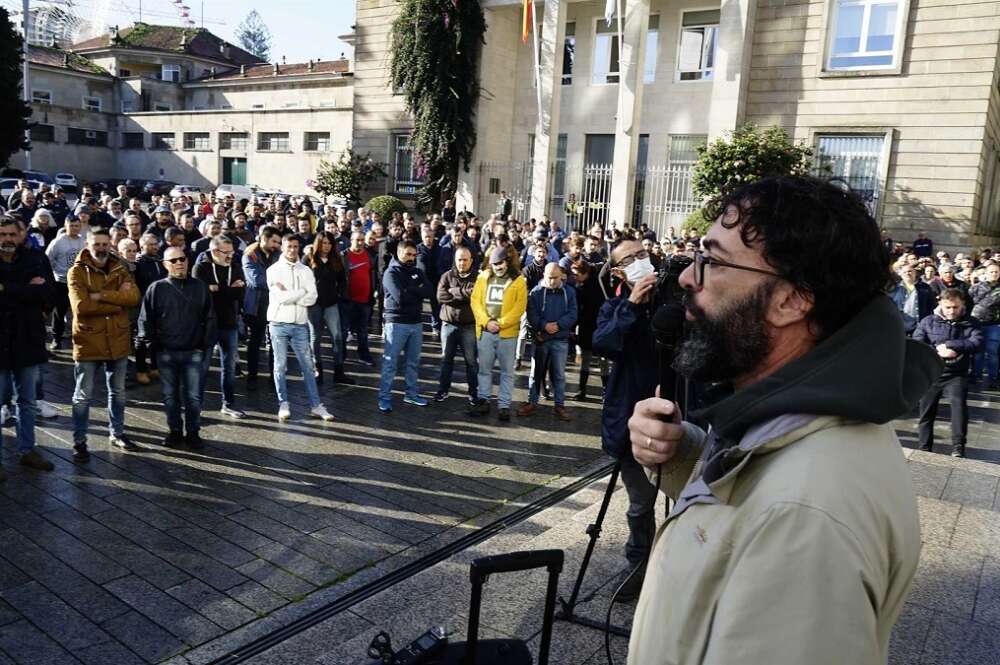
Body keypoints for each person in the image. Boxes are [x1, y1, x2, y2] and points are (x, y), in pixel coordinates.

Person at [624, 176, 938, 664]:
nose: (687, 277)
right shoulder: (815, 418)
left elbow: (782, 510)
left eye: (711, 261)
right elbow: (753, 511)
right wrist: (688, 455)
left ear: (791, 300)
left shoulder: (804, 521)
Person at [67, 228, 140, 459]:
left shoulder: (120, 267)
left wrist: (99, 295)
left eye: (104, 244)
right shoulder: (76, 272)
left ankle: (117, 433)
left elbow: (134, 297)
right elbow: (81, 307)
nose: (101, 248)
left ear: (111, 245)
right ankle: (79, 441)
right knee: (82, 396)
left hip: (117, 338)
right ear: (87, 245)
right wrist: (116, 300)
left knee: (117, 392)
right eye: (96, 244)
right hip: (88, 340)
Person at [138, 246, 216, 450]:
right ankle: (174, 431)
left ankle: (193, 432)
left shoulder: (200, 287)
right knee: (170, 396)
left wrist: (203, 345)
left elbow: (209, 318)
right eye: (173, 260)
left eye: (182, 258)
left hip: (193, 352)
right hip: (166, 352)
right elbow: (146, 320)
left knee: (193, 396)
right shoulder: (156, 288)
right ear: (165, 265)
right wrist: (154, 346)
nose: (179, 263)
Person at [0, 215, 56, 477]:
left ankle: (27, 450)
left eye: (12, 234)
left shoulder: (35, 259)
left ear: (20, 235)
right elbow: (32, 293)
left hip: (28, 341)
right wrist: (26, 290)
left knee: (27, 400)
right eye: (3, 235)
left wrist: (6, 290)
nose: (8, 240)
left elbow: (47, 293)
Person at [267, 234, 335, 422]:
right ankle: (283, 403)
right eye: (289, 246)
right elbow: (281, 297)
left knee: (308, 366)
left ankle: (316, 405)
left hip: (300, 324)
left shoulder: (306, 270)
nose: (292, 250)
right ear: (282, 247)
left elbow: (312, 297)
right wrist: (300, 293)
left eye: (296, 246)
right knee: (280, 366)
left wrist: (293, 294)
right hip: (278, 323)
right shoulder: (273, 270)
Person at [913, 288, 982, 457]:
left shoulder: (971, 322)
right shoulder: (928, 321)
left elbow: (978, 342)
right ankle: (924, 446)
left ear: (962, 305)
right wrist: (936, 351)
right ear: (940, 304)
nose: (952, 311)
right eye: (948, 307)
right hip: (932, 373)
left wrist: (952, 345)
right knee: (926, 412)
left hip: (956, 373)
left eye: (956, 307)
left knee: (959, 409)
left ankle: (958, 446)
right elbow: (917, 343)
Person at [470, 246, 527, 421]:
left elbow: (519, 308)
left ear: (507, 261)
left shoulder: (518, 280)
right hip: (486, 332)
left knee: (507, 372)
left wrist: (500, 324)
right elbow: (475, 302)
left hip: (507, 335)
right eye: (494, 264)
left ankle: (504, 405)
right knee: (484, 370)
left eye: (500, 263)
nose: (497, 267)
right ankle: (484, 400)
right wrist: (487, 322)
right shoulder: (483, 277)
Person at [193, 236, 247, 419]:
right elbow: (200, 295)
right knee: (203, 367)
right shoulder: (202, 267)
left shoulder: (236, 266)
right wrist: (228, 290)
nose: (231, 256)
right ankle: (196, 405)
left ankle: (228, 404)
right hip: (207, 324)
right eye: (227, 252)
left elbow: (240, 293)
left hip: (230, 323)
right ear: (215, 252)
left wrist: (217, 289)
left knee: (230, 367)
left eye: (232, 252)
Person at [378, 241, 434, 412]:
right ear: (399, 253)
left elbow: (430, 291)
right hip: (396, 324)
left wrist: (410, 290)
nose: (411, 258)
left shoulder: (417, 271)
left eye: (413, 255)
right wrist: (417, 290)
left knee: (413, 362)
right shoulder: (390, 273)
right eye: (407, 254)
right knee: (390, 363)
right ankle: (384, 398)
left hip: (416, 323)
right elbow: (400, 298)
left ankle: (411, 394)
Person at [518, 263, 576, 421]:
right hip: (542, 339)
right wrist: (544, 325)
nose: (552, 281)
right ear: (544, 275)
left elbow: (573, 313)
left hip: (560, 338)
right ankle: (532, 402)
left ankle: (559, 404)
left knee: (558, 374)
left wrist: (558, 325)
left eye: (555, 278)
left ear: (561, 276)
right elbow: (531, 314)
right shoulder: (536, 292)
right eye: (549, 278)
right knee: (535, 373)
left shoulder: (568, 292)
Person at [305, 231, 355, 385]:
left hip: (331, 303)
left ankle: (339, 371)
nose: (326, 246)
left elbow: (342, 280)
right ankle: (317, 370)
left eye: (329, 243)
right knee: (315, 338)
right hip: (313, 305)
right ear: (318, 243)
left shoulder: (336, 259)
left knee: (338, 337)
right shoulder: (308, 258)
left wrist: (339, 294)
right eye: (324, 243)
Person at [435, 246, 479, 404]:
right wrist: (463, 294)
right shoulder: (447, 275)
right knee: (446, 360)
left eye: (465, 259)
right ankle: (443, 390)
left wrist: (454, 291)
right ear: (455, 259)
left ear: (471, 261)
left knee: (471, 362)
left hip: (469, 326)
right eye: (459, 259)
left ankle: (473, 392)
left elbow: (475, 295)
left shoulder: (477, 277)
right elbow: (440, 296)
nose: (462, 262)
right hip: (448, 325)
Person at [242, 225, 281, 386]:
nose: (277, 245)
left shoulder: (278, 254)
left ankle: (274, 376)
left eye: (278, 242)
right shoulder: (250, 255)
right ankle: (252, 376)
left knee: (275, 342)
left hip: (275, 304)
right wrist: (278, 282)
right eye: (274, 241)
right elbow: (256, 280)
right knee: (255, 342)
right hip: (256, 306)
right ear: (264, 238)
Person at [45, 215, 85, 351]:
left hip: (79, 282)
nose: (74, 228)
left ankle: (79, 338)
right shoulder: (58, 241)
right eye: (71, 225)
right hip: (61, 282)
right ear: (66, 225)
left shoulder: (83, 241)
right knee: (59, 312)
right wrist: (56, 272)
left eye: (77, 226)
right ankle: (57, 339)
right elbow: (47, 259)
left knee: (78, 311)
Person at [571, 261, 608, 399]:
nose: (574, 277)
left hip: (593, 326)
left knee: (595, 359)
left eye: (577, 274)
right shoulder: (591, 284)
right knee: (599, 360)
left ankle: (584, 390)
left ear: (584, 273)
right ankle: (603, 391)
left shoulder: (588, 286)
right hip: (595, 327)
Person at [969, 262, 1000, 388]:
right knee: (977, 352)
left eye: (996, 272)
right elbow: (971, 302)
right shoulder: (975, 287)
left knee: (992, 352)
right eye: (991, 272)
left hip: (995, 324)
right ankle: (976, 375)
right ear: (986, 273)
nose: (994, 274)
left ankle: (993, 377)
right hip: (977, 322)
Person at [889, 263, 935, 333]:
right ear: (900, 274)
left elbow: (931, 306)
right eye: (904, 272)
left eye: (910, 271)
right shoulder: (895, 288)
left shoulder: (925, 287)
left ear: (915, 273)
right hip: (900, 327)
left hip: (920, 327)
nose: (907, 273)